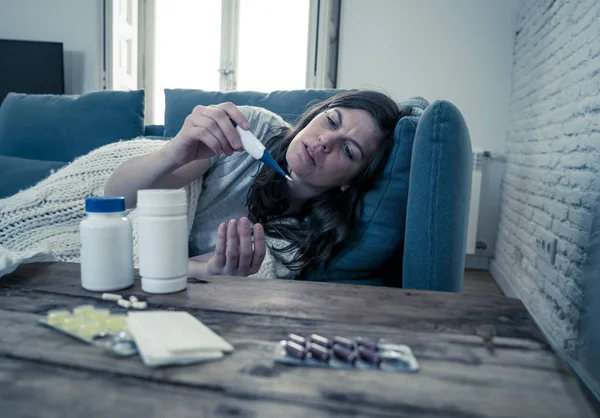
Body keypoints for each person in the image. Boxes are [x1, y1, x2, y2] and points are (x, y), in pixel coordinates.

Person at [104, 90, 410, 279]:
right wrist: (173, 152)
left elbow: (179, 267)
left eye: (348, 150)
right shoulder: (250, 130)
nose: (325, 141)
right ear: (315, 115)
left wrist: (212, 272)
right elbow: (116, 197)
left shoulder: (303, 241)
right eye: (331, 121)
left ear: (351, 182)